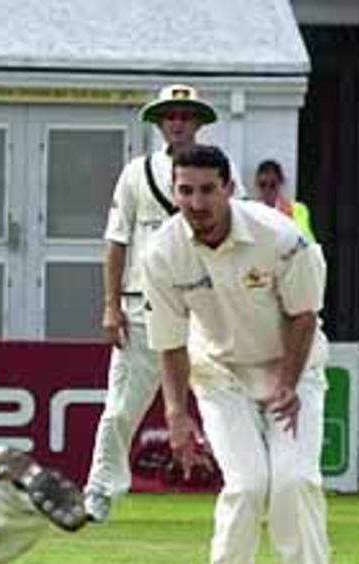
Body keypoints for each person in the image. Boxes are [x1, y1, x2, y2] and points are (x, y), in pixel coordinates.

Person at [142, 144, 334, 564]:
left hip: (291, 370)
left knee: (294, 483)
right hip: (220, 375)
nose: (196, 202)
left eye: (207, 189)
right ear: (175, 192)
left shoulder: (281, 238)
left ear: (229, 188)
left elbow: (304, 314)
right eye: (185, 190)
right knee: (247, 486)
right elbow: (170, 343)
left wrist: (289, 384)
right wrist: (177, 417)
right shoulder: (163, 253)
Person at [84, 84, 224, 523]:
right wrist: (111, 305)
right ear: (160, 122)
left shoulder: (218, 169)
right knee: (120, 409)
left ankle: (249, 485)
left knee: (229, 400)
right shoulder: (136, 173)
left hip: (202, 309)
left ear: (198, 122)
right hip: (142, 307)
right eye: (170, 115)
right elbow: (116, 242)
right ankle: (100, 490)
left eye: (185, 115)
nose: (178, 122)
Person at [254, 159, 316, 243]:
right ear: (257, 184)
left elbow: (307, 242)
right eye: (263, 185)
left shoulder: (297, 210)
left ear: (281, 182)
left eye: (273, 185)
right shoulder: (251, 211)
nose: (267, 190)